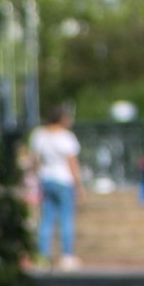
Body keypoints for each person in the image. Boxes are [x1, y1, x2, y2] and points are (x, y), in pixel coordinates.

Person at [31, 104, 82, 269]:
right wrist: (79, 184)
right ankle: (66, 256)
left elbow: (36, 160)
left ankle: (42, 256)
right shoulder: (66, 137)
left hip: (46, 179)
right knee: (67, 218)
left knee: (46, 219)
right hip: (64, 180)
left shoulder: (39, 135)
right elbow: (72, 163)